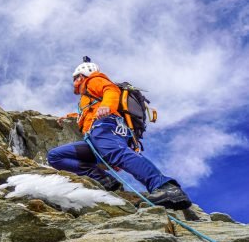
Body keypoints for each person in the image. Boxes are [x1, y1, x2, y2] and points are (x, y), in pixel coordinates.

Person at [47, 59, 192, 210]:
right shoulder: (85, 98)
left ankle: (165, 187)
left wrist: (106, 106)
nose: (75, 81)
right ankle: (104, 180)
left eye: (77, 77)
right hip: (95, 137)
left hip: (106, 124)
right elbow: (88, 113)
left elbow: (110, 90)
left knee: (117, 153)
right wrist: (70, 117)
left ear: (84, 74)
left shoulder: (94, 80)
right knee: (55, 156)